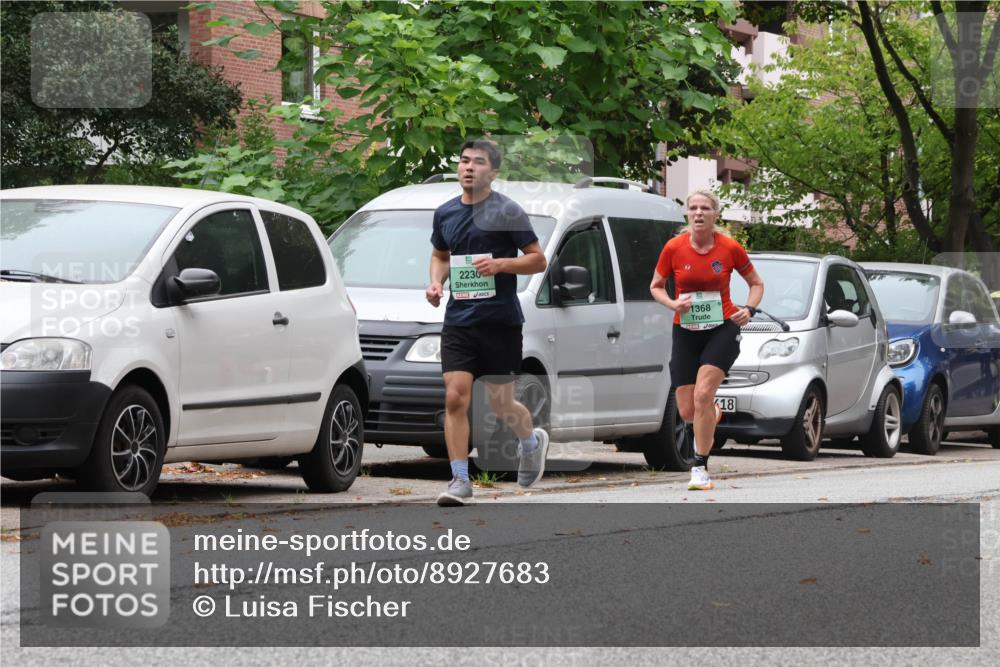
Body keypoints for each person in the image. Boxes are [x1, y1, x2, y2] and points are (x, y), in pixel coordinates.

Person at [426, 139, 550, 506]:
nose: (468, 167)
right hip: (459, 321)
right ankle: (460, 480)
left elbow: (538, 260)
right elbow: (439, 255)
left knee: (501, 405)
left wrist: (500, 265)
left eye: (478, 163)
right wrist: (436, 282)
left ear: (493, 173)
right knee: (454, 397)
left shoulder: (508, 211)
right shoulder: (445, 212)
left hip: (500, 321)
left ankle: (530, 443)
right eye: (464, 161)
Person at [650, 189, 764, 491]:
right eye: (693, 208)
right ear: (688, 214)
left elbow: (756, 283)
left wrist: (748, 310)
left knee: (702, 395)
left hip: (722, 327)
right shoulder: (674, 247)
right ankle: (712, 413)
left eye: (705, 208)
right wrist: (672, 304)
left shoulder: (729, 248)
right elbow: (656, 286)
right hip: (685, 329)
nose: (698, 213)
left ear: (715, 214)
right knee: (688, 410)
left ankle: (699, 467)